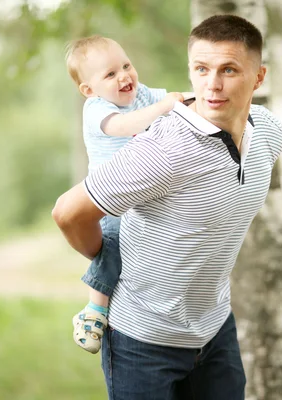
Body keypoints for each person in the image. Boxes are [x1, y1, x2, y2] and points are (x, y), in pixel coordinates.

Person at [52, 14, 282, 399]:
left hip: (214, 330)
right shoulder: (162, 148)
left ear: (259, 77)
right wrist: (105, 250)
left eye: (229, 69)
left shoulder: (269, 132)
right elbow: (67, 212)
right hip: (142, 341)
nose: (212, 84)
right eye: (201, 69)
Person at [64, 35, 189, 354]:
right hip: (113, 201)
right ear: (89, 89)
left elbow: (178, 101)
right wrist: (164, 108)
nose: (124, 76)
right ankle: (95, 309)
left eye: (126, 66)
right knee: (115, 244)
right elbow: (123, 126)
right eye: (110, 74)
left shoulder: (142, 94)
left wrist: (201, 98)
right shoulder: (97, 109)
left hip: (146, 195)